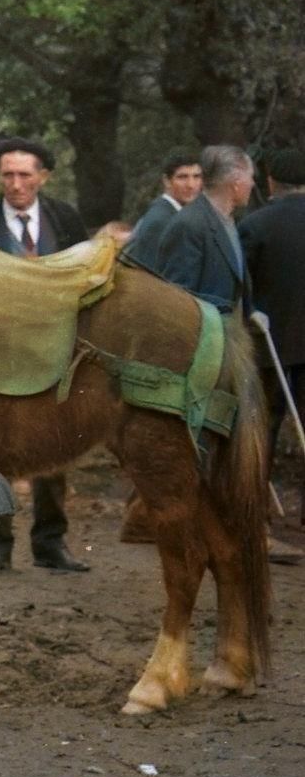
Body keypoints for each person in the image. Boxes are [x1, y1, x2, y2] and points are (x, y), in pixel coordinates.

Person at [0, 136, 90, 576]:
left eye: (24, 175)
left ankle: (51, 544)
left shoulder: (64, 218)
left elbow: (85, 275)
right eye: (7, 175)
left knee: (53, 444)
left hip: (54, 348)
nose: (15, 184)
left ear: (42, 177)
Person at [240, 147, 305, 564]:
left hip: (269, 351)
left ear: (269, 183)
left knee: (259, 437)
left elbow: (241, 289)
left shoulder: (253, 225)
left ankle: (256, 524)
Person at [158, 144, 254, 313]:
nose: (252, 183)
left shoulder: (227, 220)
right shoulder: (189, 225)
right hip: (205, 336)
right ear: (236, 184)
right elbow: (178, 299)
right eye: (250, 177)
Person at [123, 153, 203, 271]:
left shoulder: (171, 214)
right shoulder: (162, 220)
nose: (191, 185)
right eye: (182, 177)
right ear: (167, 181)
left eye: (196, 177)